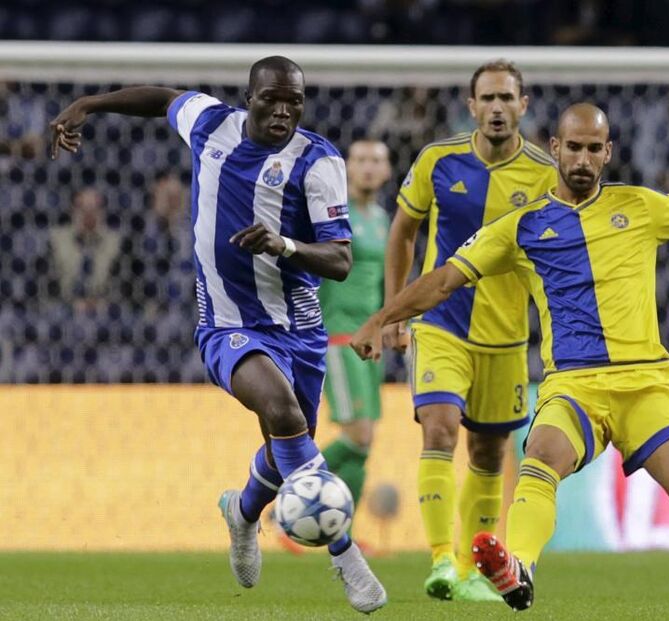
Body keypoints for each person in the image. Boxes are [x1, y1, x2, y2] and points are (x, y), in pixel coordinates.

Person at [351, 103, 669, 619]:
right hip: (574, 386)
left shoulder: (641, 206)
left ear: (608, 153)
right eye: (575, 147)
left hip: (645, 386)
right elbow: (442, 279)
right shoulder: (519, 227)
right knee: (539, 456)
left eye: (595, 148)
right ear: (556, 149)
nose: (584, 159)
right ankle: (519, 568)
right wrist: (382, 317)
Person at [48, 55, 387, 614]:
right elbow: (161, 98)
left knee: (285, 450)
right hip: (226, 323)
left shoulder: (319, 160)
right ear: (248, 97)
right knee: (283, 414)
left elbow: (341, 259)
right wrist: (89, 105)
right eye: (271, 99)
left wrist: (284, 245)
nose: (282, 111)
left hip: (299, 330)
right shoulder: (209, 123)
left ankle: (243, 511)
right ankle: (345, 554)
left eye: (294, 102)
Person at [383, 59, 558, 601]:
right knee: (438, 428)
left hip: (506, 337)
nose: (498, 108)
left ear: (524, 106)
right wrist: (395, 310)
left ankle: (469, 567)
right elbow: (403, 233)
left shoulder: (546, 174)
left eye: (508, 98)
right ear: (472, 105)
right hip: (442, 324)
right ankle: (439, 560)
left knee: (488, 454)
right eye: (488, 99)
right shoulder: (438, 159)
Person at [318, 139, 392, 511]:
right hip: (339, 335)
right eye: (360, 159)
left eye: (376, 160)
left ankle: (342, 536)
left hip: (371, 340)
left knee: (365, 443)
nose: (367, 167)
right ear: (347, 167)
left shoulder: (381, 220)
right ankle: (283, 489)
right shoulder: (334, 215)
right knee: (357, 435)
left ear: (387, 170)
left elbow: (383, 281)